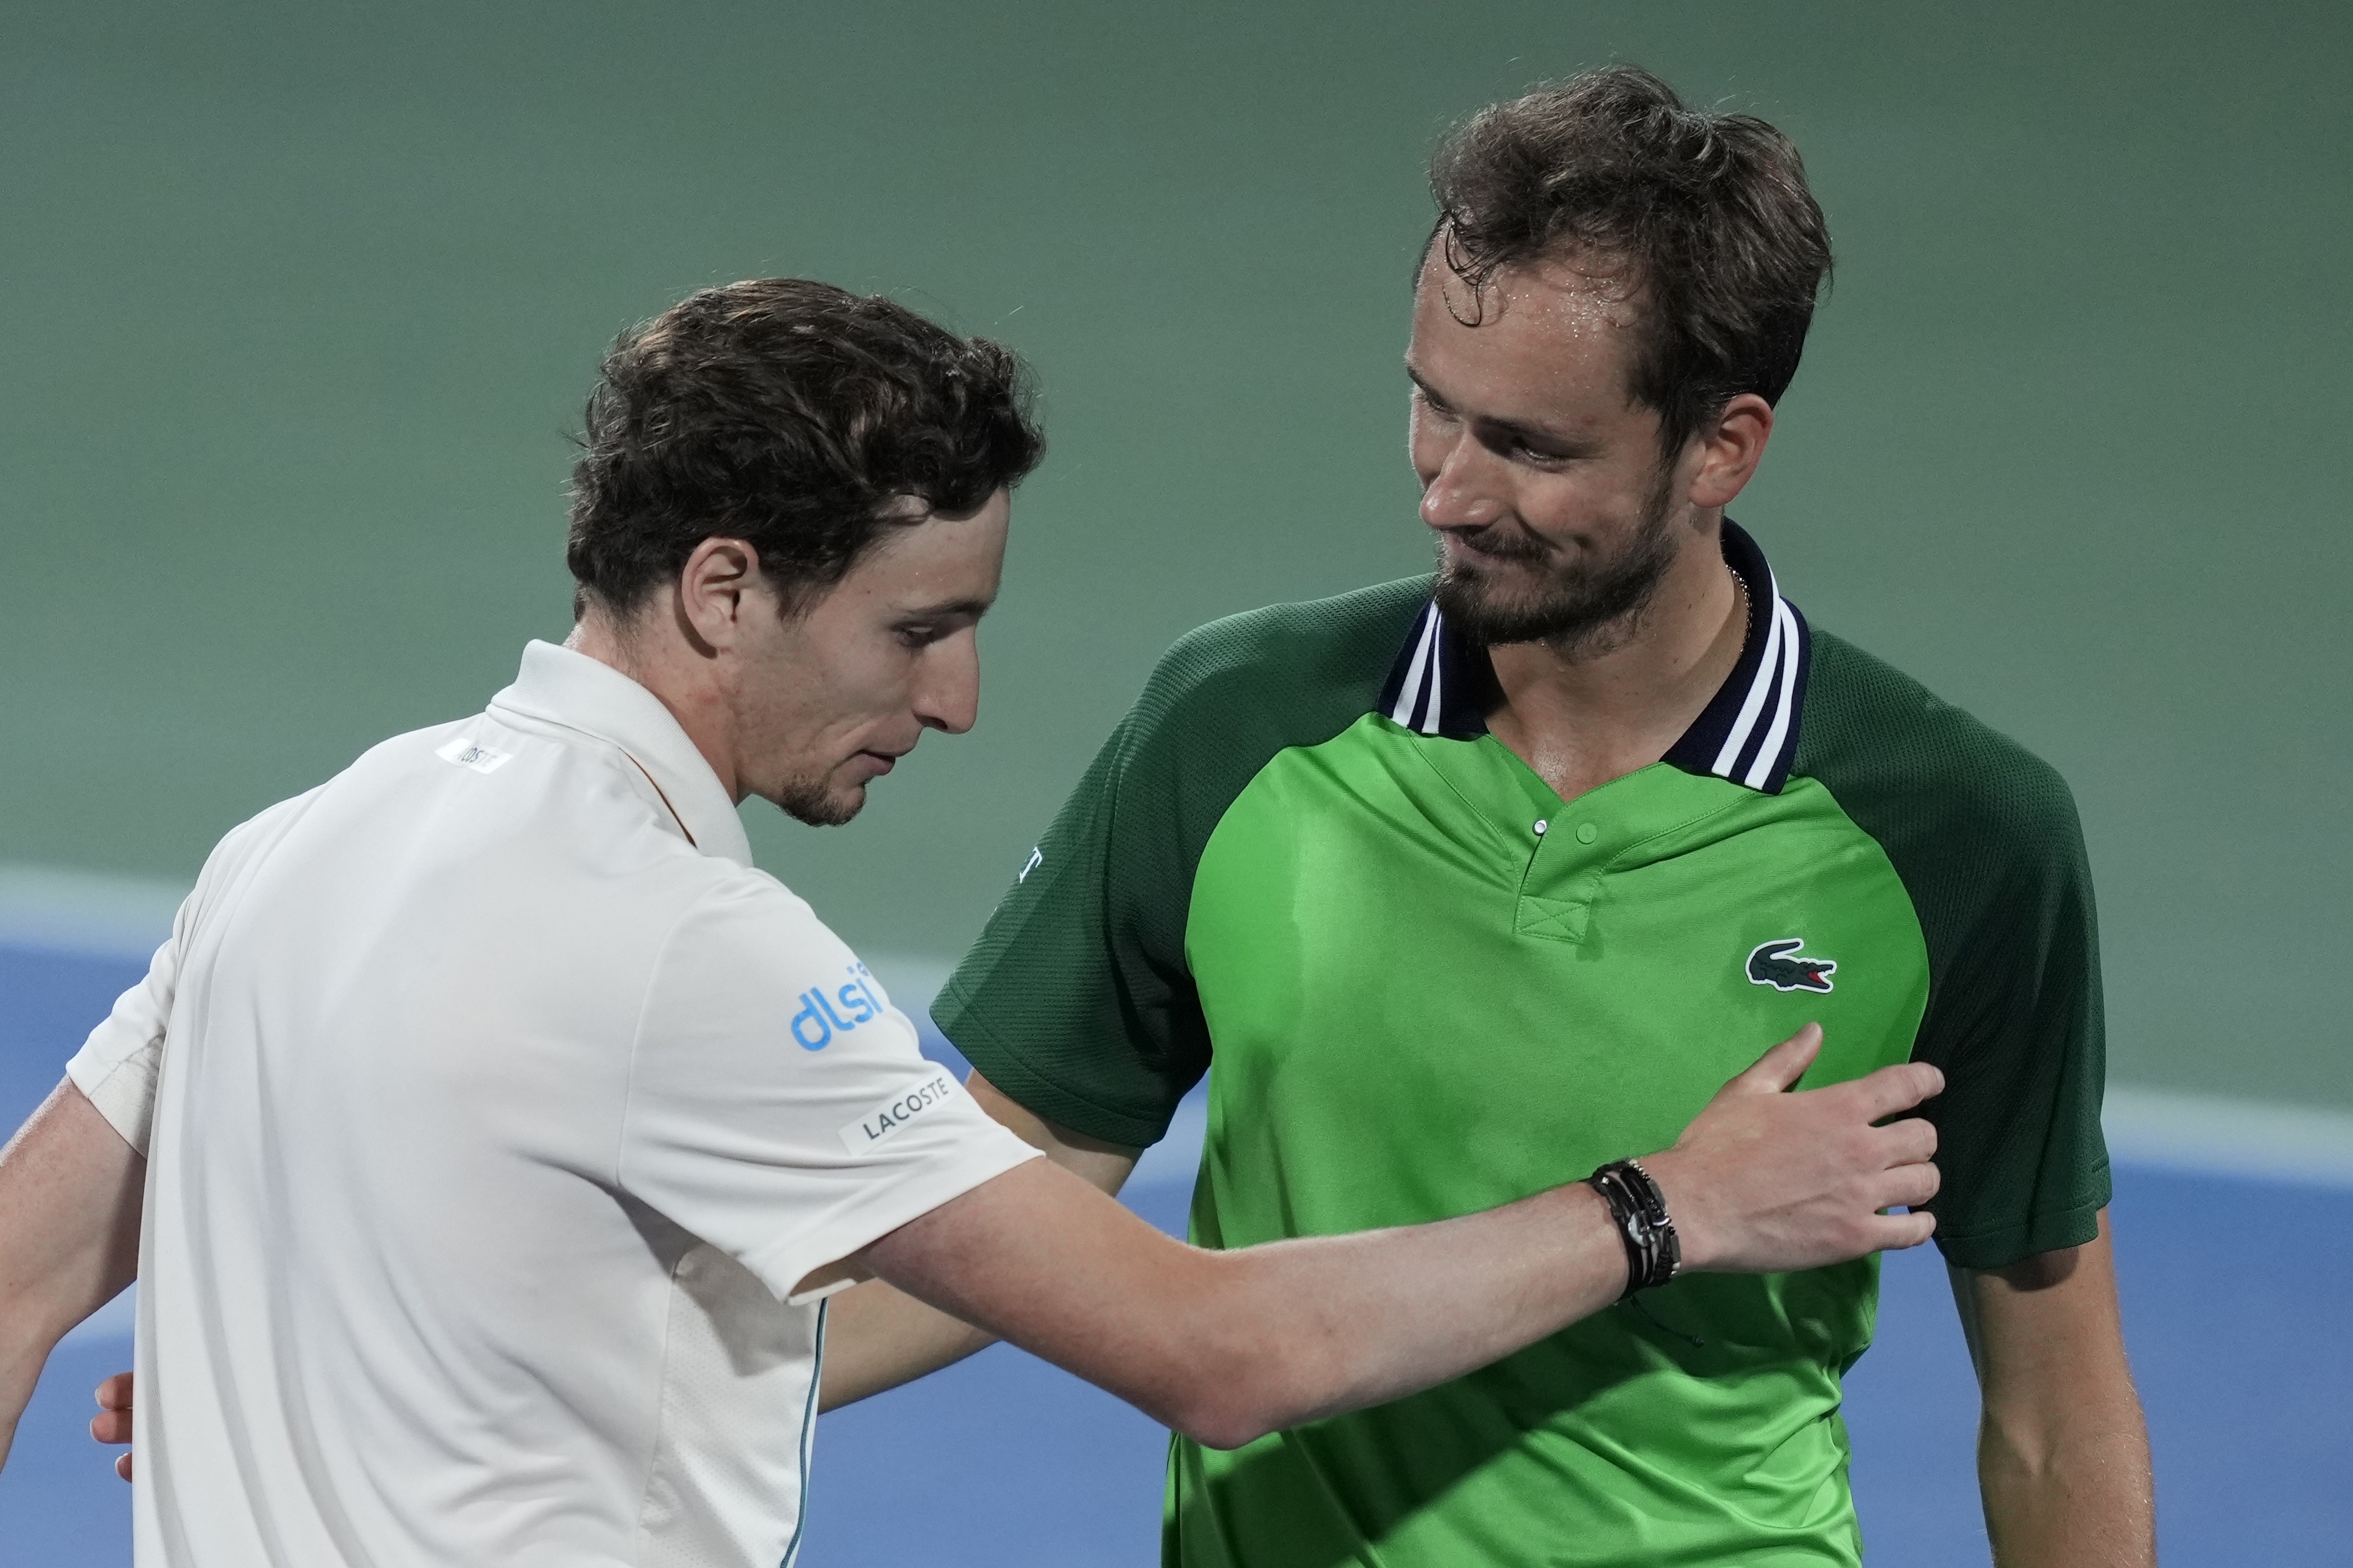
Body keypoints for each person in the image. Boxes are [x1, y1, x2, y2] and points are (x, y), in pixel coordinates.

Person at [0, 277, 1945, 1566]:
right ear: (725, 586)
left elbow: (16, 1276)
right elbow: (1212, 1349)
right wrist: (1667, 1207)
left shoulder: (303, 840)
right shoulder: (692, 951)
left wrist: (361, 1356)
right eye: (917, 630)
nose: (956, 703)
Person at [821, 67, 2157, 1567]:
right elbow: (1014, 1187)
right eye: (1428, 408)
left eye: (1529, 447)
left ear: (1719, 445)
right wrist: (672, 1379)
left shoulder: (1959, 835)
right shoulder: (1237, 722)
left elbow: (2052, 1403)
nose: (1446, 493)